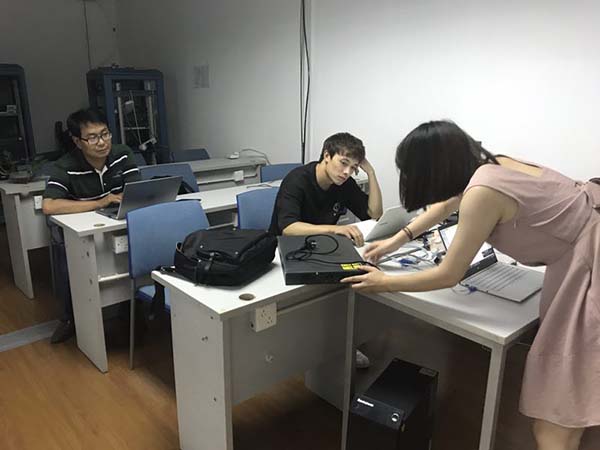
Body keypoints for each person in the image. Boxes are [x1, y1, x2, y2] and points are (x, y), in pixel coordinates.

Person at [341, 120, 600, 450]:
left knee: (555, 421)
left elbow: (448, 274)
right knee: (573, 407)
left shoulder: (482, 193)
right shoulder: (493, 165)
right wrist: (396, 239)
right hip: (585, 247)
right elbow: (449, 204)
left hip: (589, 269)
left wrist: (384, 282)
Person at [270, 132, 383, 368]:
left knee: (354, 279)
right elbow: (288, 228)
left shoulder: (344, 184)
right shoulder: (297, 179)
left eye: (353, 168)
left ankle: (339, 343)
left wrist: (371, 173)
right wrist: (334, 229)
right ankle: (324, 343)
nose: (346, 172)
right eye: (343, 163)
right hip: (285, 253)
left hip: (321, 248)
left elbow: (374, 214)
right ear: (326, 156)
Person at [43, 108, 140, 343]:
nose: (102, 142)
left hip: (116, 221)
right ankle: (69, 318)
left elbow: (136, 190)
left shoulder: (122, 154)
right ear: (78, 141)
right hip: (79, 229)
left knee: (139, 245)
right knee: (67, 257)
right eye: (93, 137)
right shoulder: (65, 166)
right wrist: (100, 202)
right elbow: (49, 205)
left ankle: (132, 308)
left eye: (105, 134)